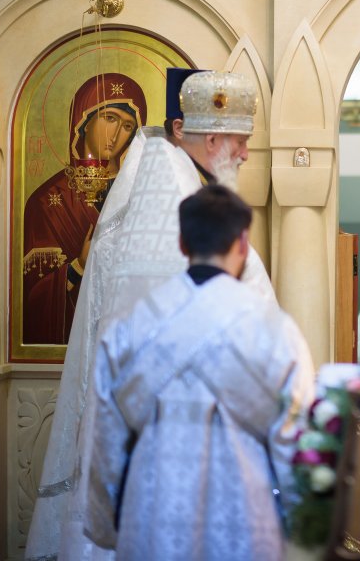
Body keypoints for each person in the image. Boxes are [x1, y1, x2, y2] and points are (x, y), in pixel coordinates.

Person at [25, 70, 291, 561]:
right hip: (221, 492)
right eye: (236, 141)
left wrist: (100, 527)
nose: (244, 154)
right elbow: (282, 400)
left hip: (143, 500)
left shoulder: (140, 211)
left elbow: (105, 418)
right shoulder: (169, 217)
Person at [82, 185, 312, 560]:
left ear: (182, 244)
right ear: (242, 243)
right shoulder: (272, 329)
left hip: (150, 515)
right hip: (245, 517)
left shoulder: (132, 326)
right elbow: (292, 436)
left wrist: (106, 524)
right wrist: (303, 523)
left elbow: (106, 438)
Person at [22, 72, 147, 344]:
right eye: (110, 118)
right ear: (84, 121)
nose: (116, 135)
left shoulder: (142, 192)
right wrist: (78, 266)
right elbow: (30, 300)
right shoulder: (47, 201)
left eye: (127, 126)